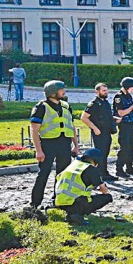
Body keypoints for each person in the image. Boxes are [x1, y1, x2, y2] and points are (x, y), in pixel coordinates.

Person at [29, 80, 78, 209]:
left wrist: (76, 145)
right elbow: (34, 130)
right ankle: (34, 204)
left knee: (62, 175)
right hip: (48, 145)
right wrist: (38, 150)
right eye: (62, 90)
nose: (64, 92)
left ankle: (59, 201)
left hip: (64, 144)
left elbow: (71, 126)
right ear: (53, 93)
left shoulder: (66, 106)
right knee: (43, 174)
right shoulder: (41, 107)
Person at [54, 148, 113, 225]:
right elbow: (104, 191)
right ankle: (76, 215)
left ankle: (71, 214)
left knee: (81, 196)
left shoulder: (74, 164)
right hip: (76, 204)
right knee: (107, 197)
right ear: (96, 161)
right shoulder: (91, 169)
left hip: (59, 202)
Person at [80, 83, 117, 181]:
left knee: (105, 153)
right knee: (100, 154)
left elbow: (105, 116)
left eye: (106, 90)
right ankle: (99, 174)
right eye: (103, 90)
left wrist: (115, 119)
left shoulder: (105, 102)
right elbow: (84, 117)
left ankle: (104, 173)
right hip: (98, 132)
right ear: (97, 92)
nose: (106, 92)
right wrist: (95, 128)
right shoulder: (94, 103)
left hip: (106, 131)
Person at [113, 77, 133, 177]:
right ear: (127, 87)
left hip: (130, 123)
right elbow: (121, 112)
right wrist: (132, 106)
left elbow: (131, 109)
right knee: (124, 147)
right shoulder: (118, 97)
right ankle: (119, 169)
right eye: (132, 87)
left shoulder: (128, 96)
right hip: (124, 124)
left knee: (131, 146)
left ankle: (129, 167)